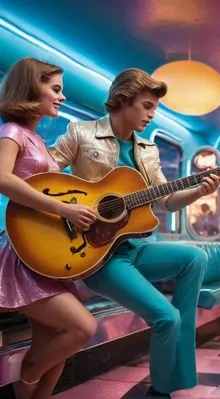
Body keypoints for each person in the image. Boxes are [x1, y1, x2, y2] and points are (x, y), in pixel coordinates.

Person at [50, 68, 220, 397]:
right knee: (166, 318)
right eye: (147, 106)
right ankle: (159, 390)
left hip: (134, 249)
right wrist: (68, 209)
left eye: (154, 107)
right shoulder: (80, 132)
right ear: (123, 100)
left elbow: (166, 202)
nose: (152, 114)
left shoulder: (148, 150)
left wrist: (199, 191)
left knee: (194, 258)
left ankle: (176, 362)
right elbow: (40, 174)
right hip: (96, 256)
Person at [0, 57, 97, 399]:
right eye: (55, 89)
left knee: (56, 341)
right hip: (24, 253)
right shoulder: (12, 132)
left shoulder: (37, 139)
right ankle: (26, 373)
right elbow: (2, 178)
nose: (62, 97)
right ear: (31, 87)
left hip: (46, 253)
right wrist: (62, 209)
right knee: (83, 327)